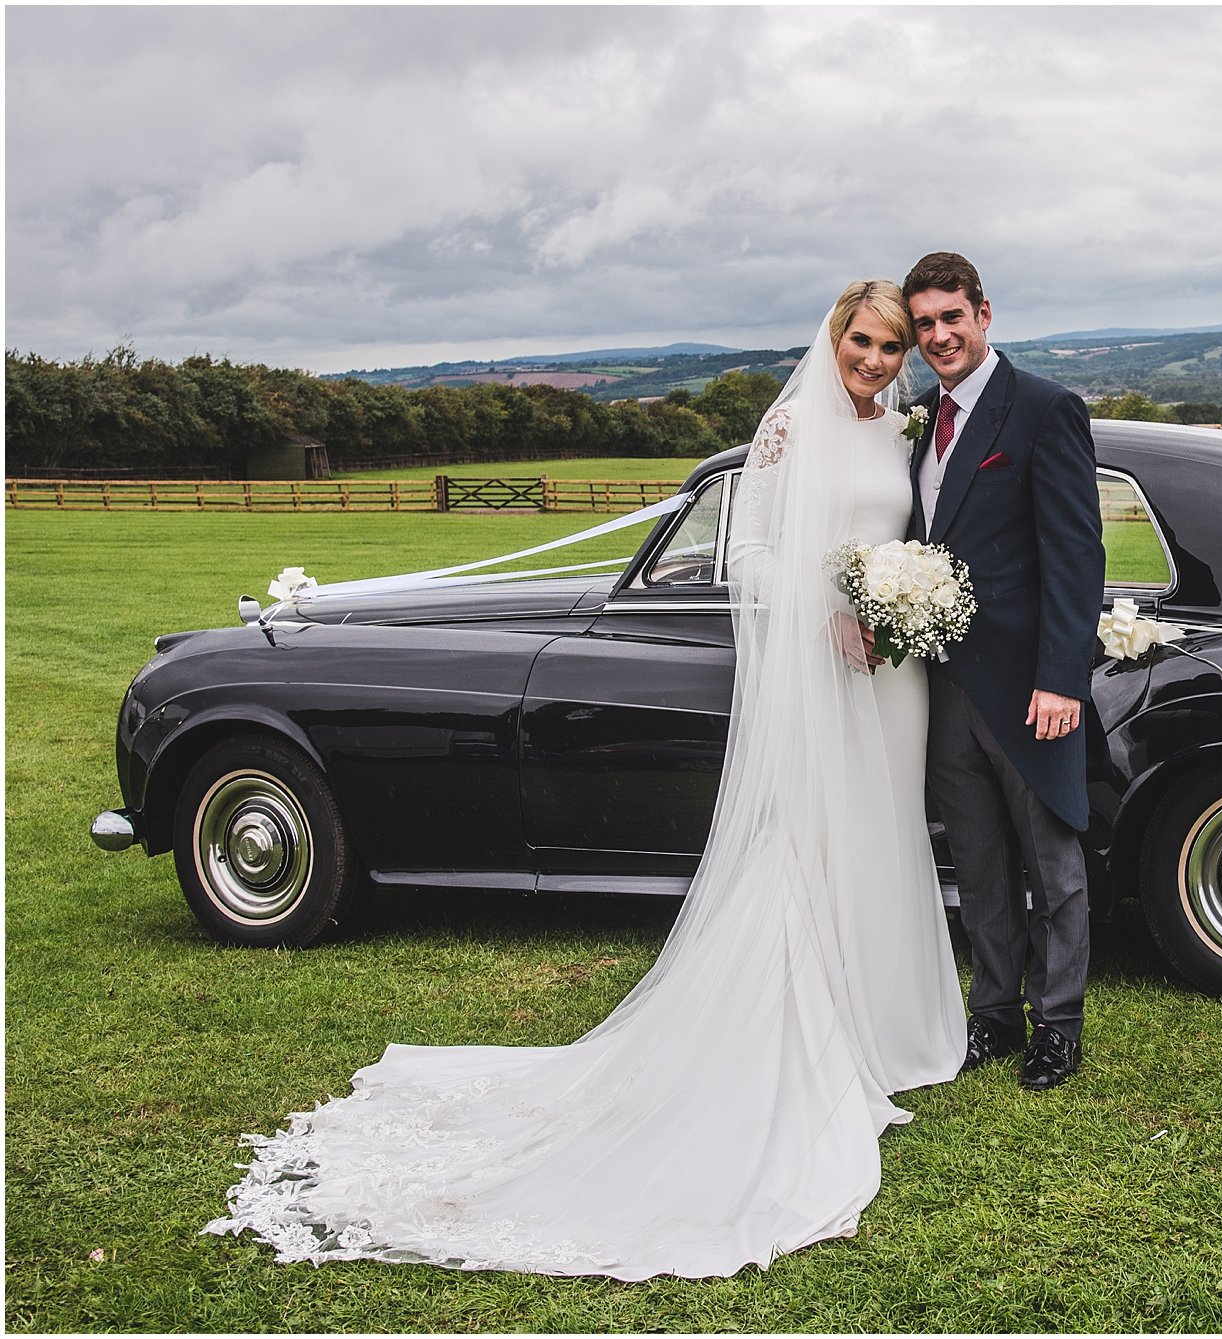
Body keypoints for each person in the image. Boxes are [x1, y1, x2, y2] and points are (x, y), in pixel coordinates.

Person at [201, 281, 967, 1281]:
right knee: (813, 834)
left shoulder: (895, 424)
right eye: (862, 340)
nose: (873, 357)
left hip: (892, 672)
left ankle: (881, 1021)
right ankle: (821, 1029)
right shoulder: (789, 424)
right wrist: (832, 608)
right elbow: (750, 550)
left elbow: (899, 532)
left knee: (879, 832)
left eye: (890, 343)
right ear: (836, 336)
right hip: (823, 665)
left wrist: (899, 596)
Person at [903, 252, 1104, 1091]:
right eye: (926, 324)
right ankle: (992, 1011)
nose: (940, 336)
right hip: (945, 687)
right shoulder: (920, 417)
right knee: (980, 864)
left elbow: (1075, 553)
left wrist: (1062, 678)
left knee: (1052, 866)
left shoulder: (1044, 409)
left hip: (1029, 687)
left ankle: (1057, 1027)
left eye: (954, 317)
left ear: (985, 314)